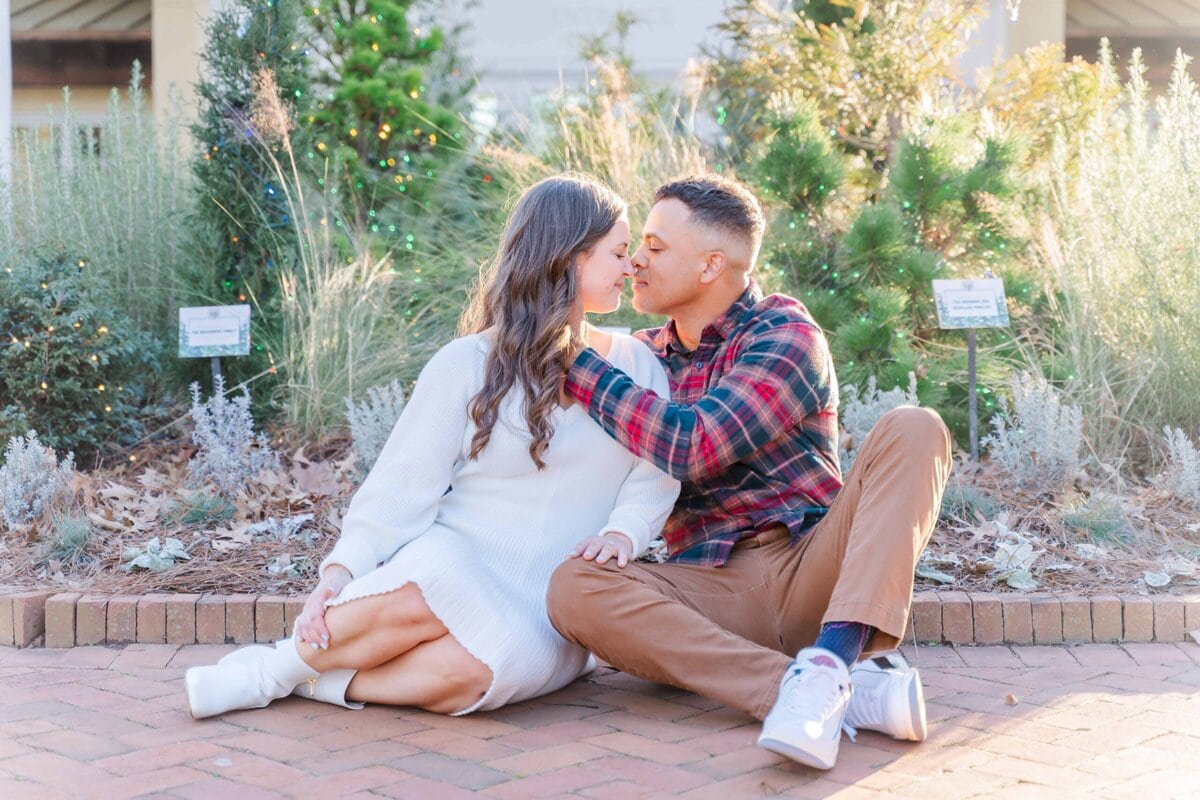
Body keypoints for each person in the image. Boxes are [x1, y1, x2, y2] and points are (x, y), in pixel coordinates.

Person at [184, 173, 679, 719]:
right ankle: (269, 672)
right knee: (426, 587)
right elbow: (400, 487)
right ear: (570, 259)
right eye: (618, 252)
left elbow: (657, 473)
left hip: (552, 599)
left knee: (478, 678)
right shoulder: (469, 363)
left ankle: (313, 683)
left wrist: (623, 533)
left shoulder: (637, 364)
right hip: (460, 555)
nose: (631, 266)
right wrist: (338, 573)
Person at [547, 175, 952, 771]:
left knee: (916, 426)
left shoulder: (784, 332)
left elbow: (695, 444)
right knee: (574, 587)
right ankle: (820, 687)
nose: (636, 260)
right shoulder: (642, 355)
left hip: (813, 565)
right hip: (712, 590)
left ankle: (833, 656)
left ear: (712, 265)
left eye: (656, 247)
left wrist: (577, 364)